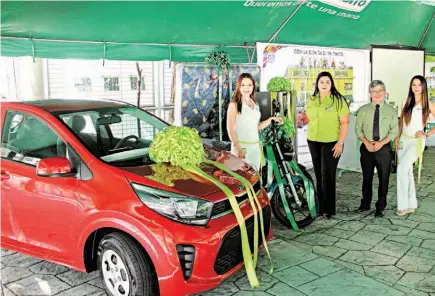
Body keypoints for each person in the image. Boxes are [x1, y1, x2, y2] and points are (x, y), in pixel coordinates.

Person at [306, 71, 350, 219]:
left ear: (331, 84)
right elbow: (309, 118)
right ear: (317, 84)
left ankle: (328, 209)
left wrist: (340, 142)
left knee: (328, 174)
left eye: (327, 81)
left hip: (332, 142)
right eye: (321, 81)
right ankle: (319, 206)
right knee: (318, 173)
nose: (324, 84)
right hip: (313, 140)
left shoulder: (338, 100)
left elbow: (345, 122)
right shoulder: (312, 99)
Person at [355, 80, 398, 217]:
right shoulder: (363, 110)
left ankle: (380, 206)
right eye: (374, 91)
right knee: (367, 178)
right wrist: (366, 143)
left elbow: (394, 131)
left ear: (385, 93)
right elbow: (358, 129)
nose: (377, 94)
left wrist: (381, 143)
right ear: (370, 94)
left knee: (383, 178)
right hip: (366, 147)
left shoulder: (391, 111)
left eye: (380, 91)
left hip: (384, 148)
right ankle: (365, 204)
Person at [395, 75, 435, 216]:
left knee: (401, 170)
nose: (416, 87)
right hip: (403, 141)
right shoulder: (405, 102)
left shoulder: (428, 104)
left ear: (424, 86)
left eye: (419, 84)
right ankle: (412, 203)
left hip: (416, 142)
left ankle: (402, 205)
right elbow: (401, 123)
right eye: (414, 84)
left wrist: (427, 134)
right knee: (407, 172)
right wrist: (396, 138)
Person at [227, 73, 283, 171]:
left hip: (255, 148)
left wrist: (271, 119)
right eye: (243, 85)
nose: (246, 88)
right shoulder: (235, 104)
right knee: (242, 180)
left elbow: (257, 126)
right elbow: (230, 128)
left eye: (249, 85)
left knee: (255, 177)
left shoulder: (255, 104)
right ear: (239, 87)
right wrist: (238, 147)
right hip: (241, 148)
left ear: (253, 86)